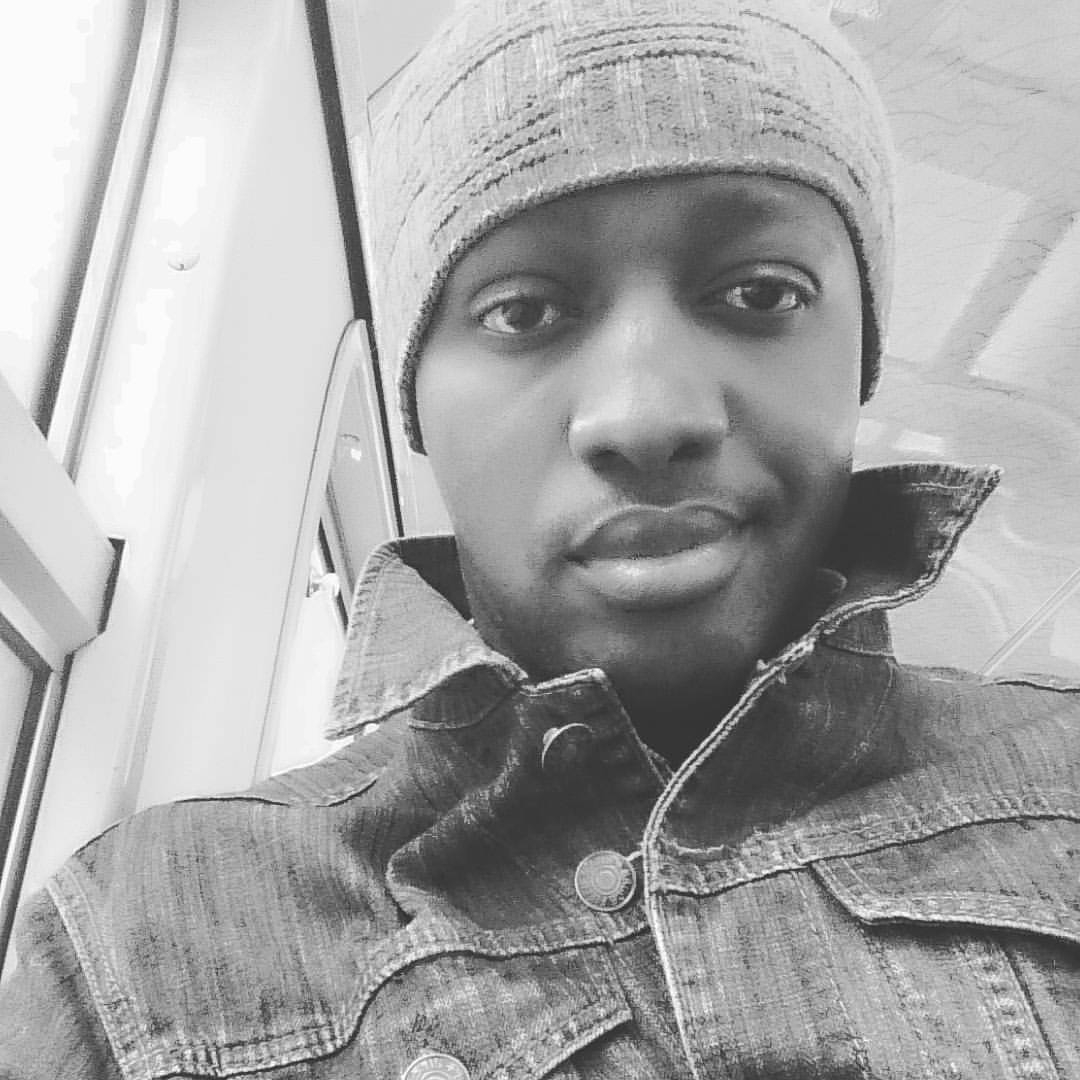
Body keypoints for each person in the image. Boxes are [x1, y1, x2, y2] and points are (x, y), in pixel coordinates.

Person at [3, 0, 1079, 1076]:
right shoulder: (134, 952)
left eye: (760, 293)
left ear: (862, 361)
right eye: (522, 312)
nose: (646, 416)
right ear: (417, 407)